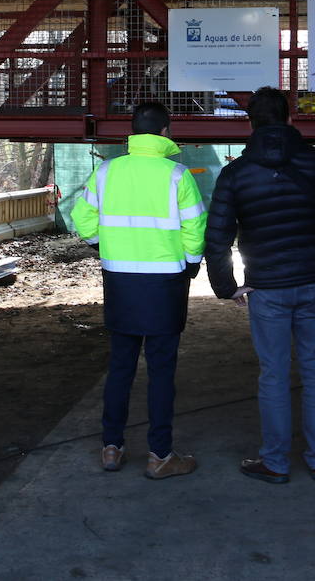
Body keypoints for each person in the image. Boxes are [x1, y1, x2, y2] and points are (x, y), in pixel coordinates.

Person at [205, 86, 315, 484]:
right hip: (314, 283)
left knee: (273, 374)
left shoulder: (235, 173)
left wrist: (227, 286)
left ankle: (275, 461)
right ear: (290, 119)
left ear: (250, 123)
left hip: (266, 287)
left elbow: (217, 236)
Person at [71, 102, 208, 480]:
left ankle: (111, 448)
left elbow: (81, 217)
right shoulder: (177, 174)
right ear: (165, 132)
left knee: (120, 367)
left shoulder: (106, 171)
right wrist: (192, 263)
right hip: (165, 283)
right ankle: (160, 455)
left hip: (120, 281)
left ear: (133, 133)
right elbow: (195, 227)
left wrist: (102, 245)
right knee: (161, 371)